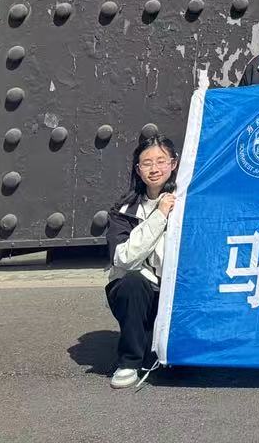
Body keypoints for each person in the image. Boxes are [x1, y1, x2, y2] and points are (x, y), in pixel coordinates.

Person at [104, 134, 178, 389]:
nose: (154, 169)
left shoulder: (189, 203)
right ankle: (129, 361)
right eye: (147, 163)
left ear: (174, 164)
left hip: (176, 291)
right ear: (138, 169)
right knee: (132, 282)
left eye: (161, 161)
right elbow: (124, 258)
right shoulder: (124, 211)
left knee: (177, 369)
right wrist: (160, 215)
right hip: (144, 293)